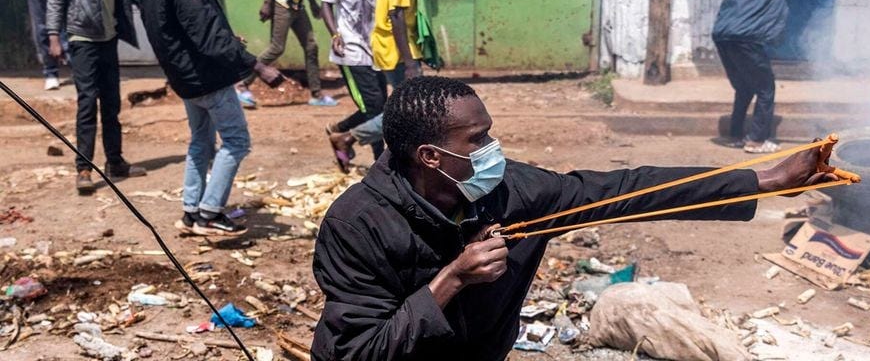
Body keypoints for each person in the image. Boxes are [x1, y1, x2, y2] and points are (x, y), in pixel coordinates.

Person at [311, 76, 836, 360]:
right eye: (477, 141)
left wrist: (762, 181)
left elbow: (626, 191)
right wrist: (451, 280)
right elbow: (360, 353)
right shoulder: (357, 224)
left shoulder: (510, 190)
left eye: (490, 131)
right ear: (429, 156)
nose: (494, 148)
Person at [137, 0, 282, 236]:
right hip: (208, 78)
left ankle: (191, 210)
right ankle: (210, 212)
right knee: (236, 142)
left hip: (185, 78)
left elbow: (183, 30)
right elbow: (208, 37)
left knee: (200, 142)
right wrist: (258, 67)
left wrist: (227, 42)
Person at [325, 0, 443, 170]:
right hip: (387, 47)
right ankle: (349, 137)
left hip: (391, 44)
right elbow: (396, 12)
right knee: (410, 109)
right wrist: (410, 62)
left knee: (401, 107)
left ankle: (379, 155)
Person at [712, 0, 846, 154]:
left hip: (722, 35)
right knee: (766, 89)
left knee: (744, 88)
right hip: (748, 38)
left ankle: (734, 134)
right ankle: (756, 140)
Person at [46, 0, 145, 195]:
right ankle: (84, 168)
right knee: (87, 103)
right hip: (83, 38)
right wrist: (54, 35)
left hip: (108, 37)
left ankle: (115, 162)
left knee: (112, 104)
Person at [320, 0, 389, 169]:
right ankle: (378, 161)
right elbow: (327, 2)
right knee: (375, 108)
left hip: (378, 47)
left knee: (379, 106)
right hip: (349, 46)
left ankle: (339, 129)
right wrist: (334, 33)